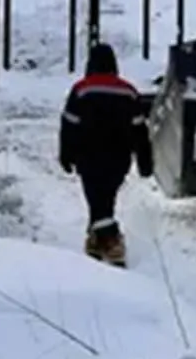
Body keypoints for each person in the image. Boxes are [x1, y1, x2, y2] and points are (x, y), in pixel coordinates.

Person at [58, 43, 153, 266]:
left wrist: (66, 153)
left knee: (97, 200)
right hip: (119, 157)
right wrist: (145, 160)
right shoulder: (128, 91)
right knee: (105, 199)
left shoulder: (81, 89)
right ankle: (96, 242)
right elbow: (140, 129)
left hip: (88, 155)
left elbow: (69, 124)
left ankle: (112, 243)